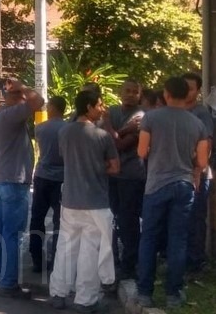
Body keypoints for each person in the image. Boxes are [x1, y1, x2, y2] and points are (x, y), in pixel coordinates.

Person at [136, 77, 209, 309]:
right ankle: (173, 293)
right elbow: (202, 161)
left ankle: (145, 292)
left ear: (166, 94)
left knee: (148, 238)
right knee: (178, 240)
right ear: (186, 94)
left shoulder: (151, 118)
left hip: (156, 184)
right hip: (184, 185)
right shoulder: (197, 123)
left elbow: (142, 151)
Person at [49, 90, 120, 312]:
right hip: (95, 201)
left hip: (70, 199)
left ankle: (58, 293)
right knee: (90, 251)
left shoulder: (64, 132)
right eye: (99, 104)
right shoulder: (102, 136)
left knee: (66, 247)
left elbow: (65, 157)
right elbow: (115, 167)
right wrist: (99, 167)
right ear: (88, 107)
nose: (102, 108)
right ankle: (85, 299)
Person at [0, 78, 44, 298]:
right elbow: (38, 101)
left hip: (0, 178)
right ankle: (9, 283)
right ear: (16, 97)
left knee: (0, 232)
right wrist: (24, 86)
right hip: (14, 181)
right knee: (13, 234)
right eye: (21, 95)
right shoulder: (13, 114)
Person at [103, 79, 145, 281]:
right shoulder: (112, 110)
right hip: (112, 176)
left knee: (129, 221)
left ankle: (130, 264)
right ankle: (114, 261)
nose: (130, 94)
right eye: (126, 90)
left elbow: (118, 146)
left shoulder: (141, 115)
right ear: (120, 92)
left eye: (134, 91)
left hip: (132, 176)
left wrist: (112, 128)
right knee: (111, 219)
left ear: (140, 95)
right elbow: (105, 139)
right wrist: (122, 129)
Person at [29, 95, 68, 273]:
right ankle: (56, 258)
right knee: (59, 220)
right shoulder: (68, 129)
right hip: (62, 178)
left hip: (42, 175)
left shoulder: (41, 128)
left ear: (52, 107)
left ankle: (37, 258)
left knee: (37, 218)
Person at [182, 72, 213, 275]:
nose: (187, 92)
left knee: (195, 219)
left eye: (191, 88)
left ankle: (196, 261)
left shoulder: (201, 113)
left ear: (198, 91)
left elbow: (207, 144)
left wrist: (197, 171)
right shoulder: (174, 111)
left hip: (197, 174)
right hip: (178, 174)